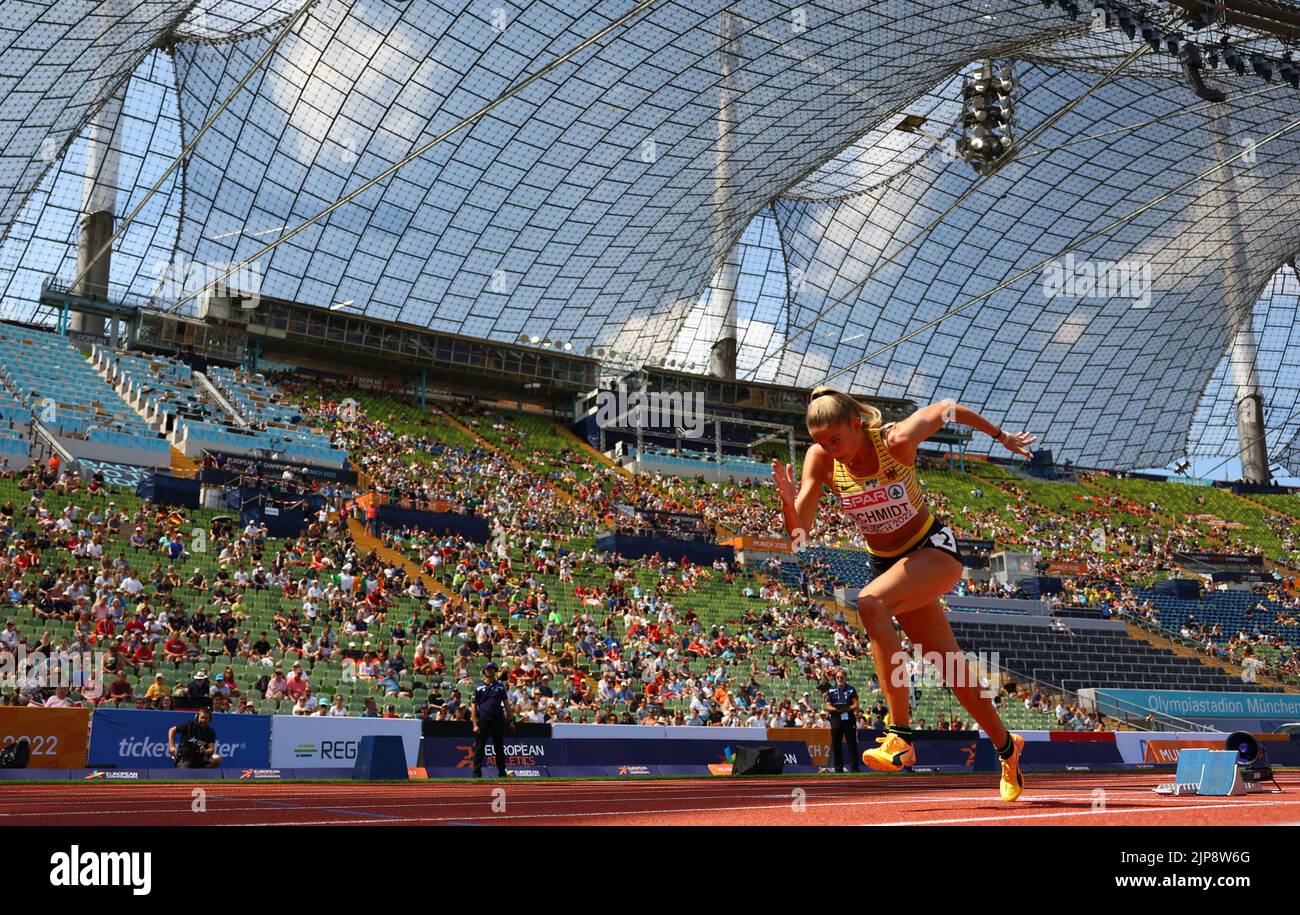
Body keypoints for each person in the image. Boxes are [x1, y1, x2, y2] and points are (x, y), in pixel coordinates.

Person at [773, 387, 1034, 801]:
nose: (830, 450)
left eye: (836, 440)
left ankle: (899, 736)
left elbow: (948, 409)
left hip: (931, 550)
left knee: (869, 602)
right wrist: (789, 506)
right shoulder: (821, 459)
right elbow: (799, 535)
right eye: (821, 442)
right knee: (948, 664)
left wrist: (1000, 436)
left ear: (857, 425)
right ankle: (1007, 748)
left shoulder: (895, 440)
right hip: (888, 564)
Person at [470, 660, 511, 778]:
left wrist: (511, 719)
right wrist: (474, 724)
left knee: (499, 747)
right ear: (484, 671)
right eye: (488, 669)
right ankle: (476, 773)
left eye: (492, 668)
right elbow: (473, 707)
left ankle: (502, 772)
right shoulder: (478, 688)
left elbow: (506, 703)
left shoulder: (500, 686)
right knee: (480, 747)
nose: (490, 671)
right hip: (483, 720)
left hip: (498, 719)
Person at [823, 669, 860, 773]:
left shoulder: (851, 689)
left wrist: (846, 708)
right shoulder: (831, 690)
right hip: (836, 718)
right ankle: (838, 769)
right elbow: (827, 705)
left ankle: (854, 768)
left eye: (841, 677)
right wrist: (836, 709)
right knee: (836, 744)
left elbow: (856, 705)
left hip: (848, 717)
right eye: (838, 677)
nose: (839, 679)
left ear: (845, 678)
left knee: (852, 743)